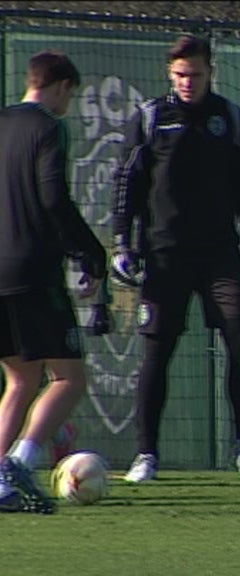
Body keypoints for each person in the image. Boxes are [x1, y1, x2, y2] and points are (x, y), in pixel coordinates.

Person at [111, 35, 240, 483]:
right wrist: (123, 243)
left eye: (195, 74)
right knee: (157, 352)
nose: (187, 82)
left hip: (220, 254)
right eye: (180, 74)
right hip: (164, 256)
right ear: (170, 74)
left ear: (209, 72)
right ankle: (146, 455)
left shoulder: (231, 118)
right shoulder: (151, 119)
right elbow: (127, 186)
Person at [0, 51, 107, 513]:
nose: (69, 106)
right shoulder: (48, 128)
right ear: (61, 86)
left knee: (20, 379)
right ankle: (21, 462)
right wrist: (90, 251)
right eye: (71, 96)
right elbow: (52, 198)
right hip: (32, 271)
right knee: (69, 377)